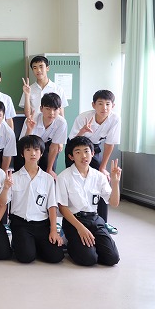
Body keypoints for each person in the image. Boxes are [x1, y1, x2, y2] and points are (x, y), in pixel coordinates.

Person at [56, 136, 121, 266]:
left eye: (86, 151)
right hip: (74, 221)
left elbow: (114, 203)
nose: (83, 156)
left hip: (94, 219)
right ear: (71, 157)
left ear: (92, 153)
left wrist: (115, 183)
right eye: (78, 152)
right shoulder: (64, 177)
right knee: (89, 259)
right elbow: (62, 207)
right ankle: (69, 241)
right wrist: (80, 228)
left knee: (112, 259)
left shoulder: (99, 176)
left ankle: (90, 244)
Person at [0, 135, 64, 264]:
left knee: (56, 256)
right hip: (21, 223)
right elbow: (2, 202)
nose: (33, 153)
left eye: (36, 150)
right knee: (26, 257)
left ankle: (34, 244)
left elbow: (52, 206)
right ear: (22, 154)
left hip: (42, 224)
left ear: (41, 153)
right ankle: (24, 244)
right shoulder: (14, 177)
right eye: (28, 150)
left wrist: (53, 230)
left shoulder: (48, 179)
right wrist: (5, 188)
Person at [66, 90, 121, 234]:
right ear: (93, 105)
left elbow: (109, 144)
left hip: (93, 148)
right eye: (100, 104)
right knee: (74, 181)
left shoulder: (115, 119)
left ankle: (103, 222)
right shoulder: (83, 118)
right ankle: (71, 220)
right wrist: (83, 131)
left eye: (108, 104)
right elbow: (73, 141)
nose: (104, 108)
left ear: (113, 106)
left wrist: (103, 167)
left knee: (101, 179)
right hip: (75, 147)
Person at [19, 92, 67, 178]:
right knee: (26, 171)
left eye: (55, 109)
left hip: (48, 145)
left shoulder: (61, 122)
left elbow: (54, 147)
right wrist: (29, 129)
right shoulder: (32, 119)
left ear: (59, 110)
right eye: (48, 109)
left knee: (48, 172)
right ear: (41, 109)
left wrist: (49, 169)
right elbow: (24, 144)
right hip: (30, 145)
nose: (51, 113)